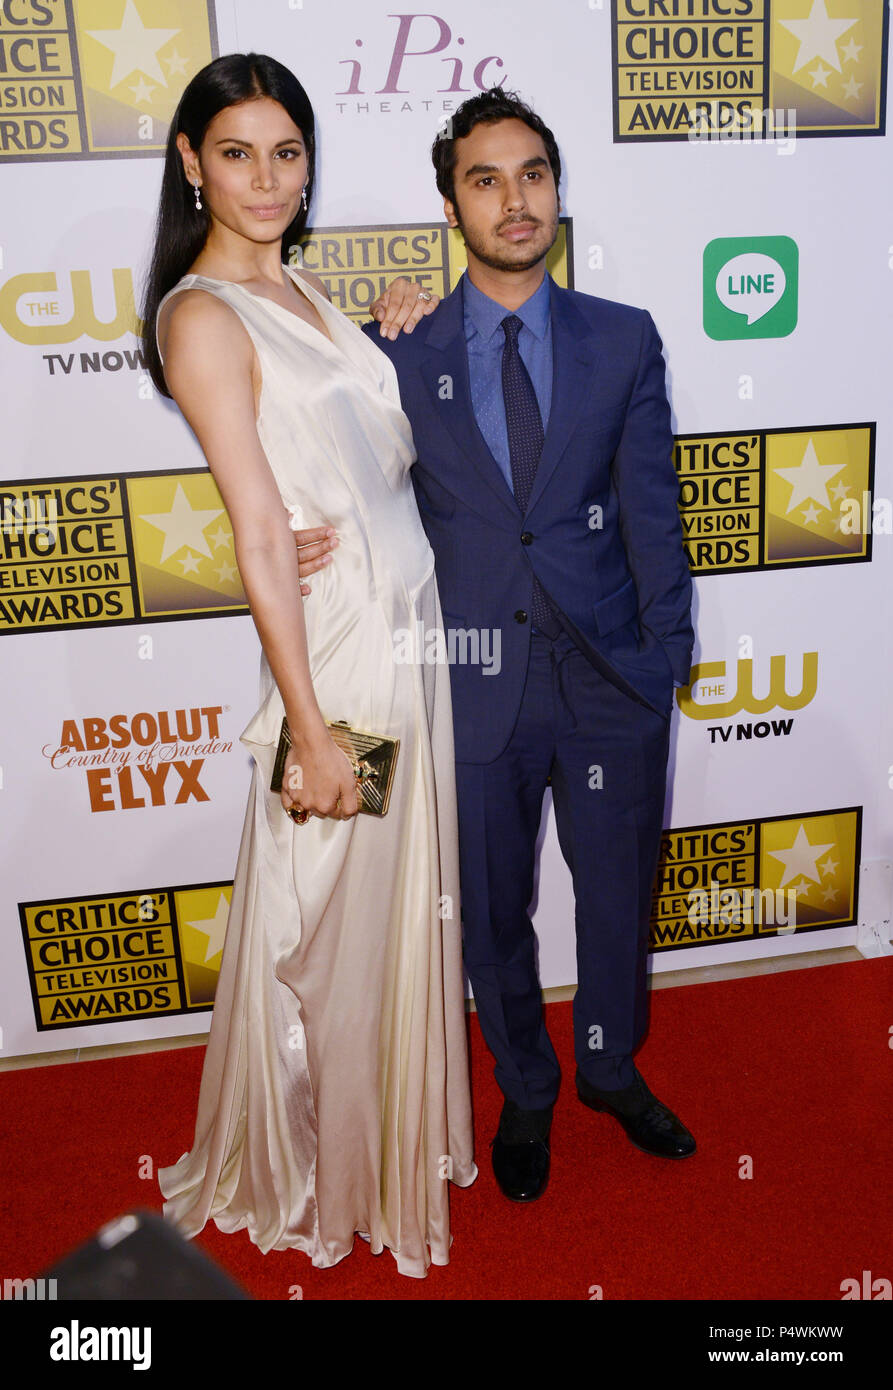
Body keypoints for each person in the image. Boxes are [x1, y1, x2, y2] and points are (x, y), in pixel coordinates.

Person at [294, 88, 696, 1204]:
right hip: (468, 683)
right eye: (484, 179)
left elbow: (652, 508)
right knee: (487, 908)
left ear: (555, 190)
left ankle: (610, 1066)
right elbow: (342, 491)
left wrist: (663, 655)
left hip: (610, 672)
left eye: (530, 175)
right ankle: (524, 1084)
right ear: (449, 203)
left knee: (617, 892)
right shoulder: (393, 347)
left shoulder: (622, 337)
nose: (512, 200)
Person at [141, 52, 477, 1279]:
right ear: (191, 163)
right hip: (336, 659)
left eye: (287, 152)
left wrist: (393, 318)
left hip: (404, 635)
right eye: (237, 153)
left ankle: (373, 1135)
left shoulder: (298, 291)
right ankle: (313, 1162)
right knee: (329, 913)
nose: (267, 177)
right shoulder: (200, 314)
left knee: (380, 905)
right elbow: (258, 539)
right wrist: (313, 730)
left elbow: (357, 441)